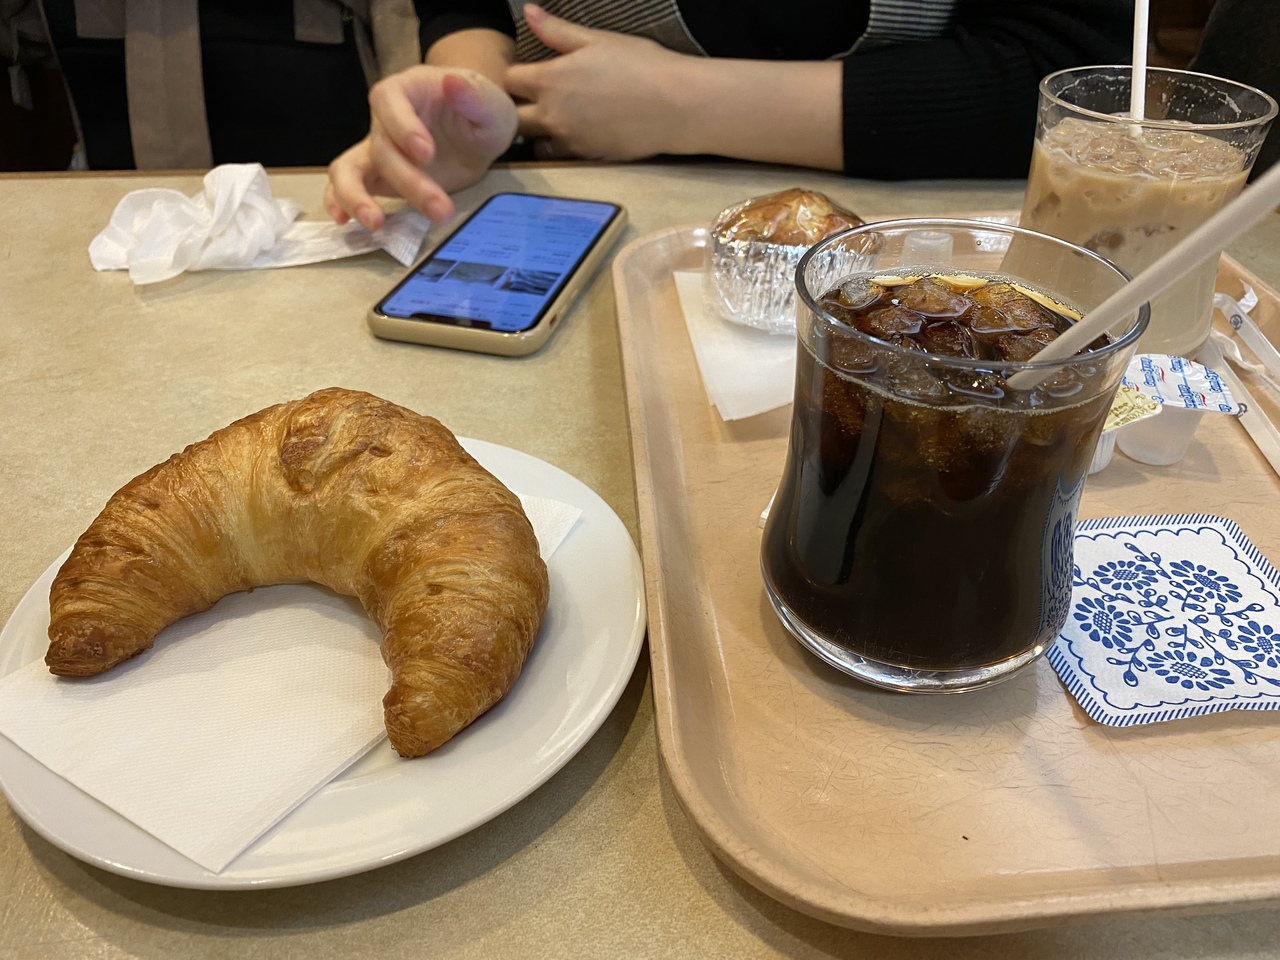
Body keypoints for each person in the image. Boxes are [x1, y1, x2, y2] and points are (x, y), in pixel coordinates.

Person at [325, 0, 1131, 229]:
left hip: (925, 229)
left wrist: (678, 104)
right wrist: (467, 105)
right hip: (564, 211)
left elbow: (1070, 87)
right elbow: (466, 12)